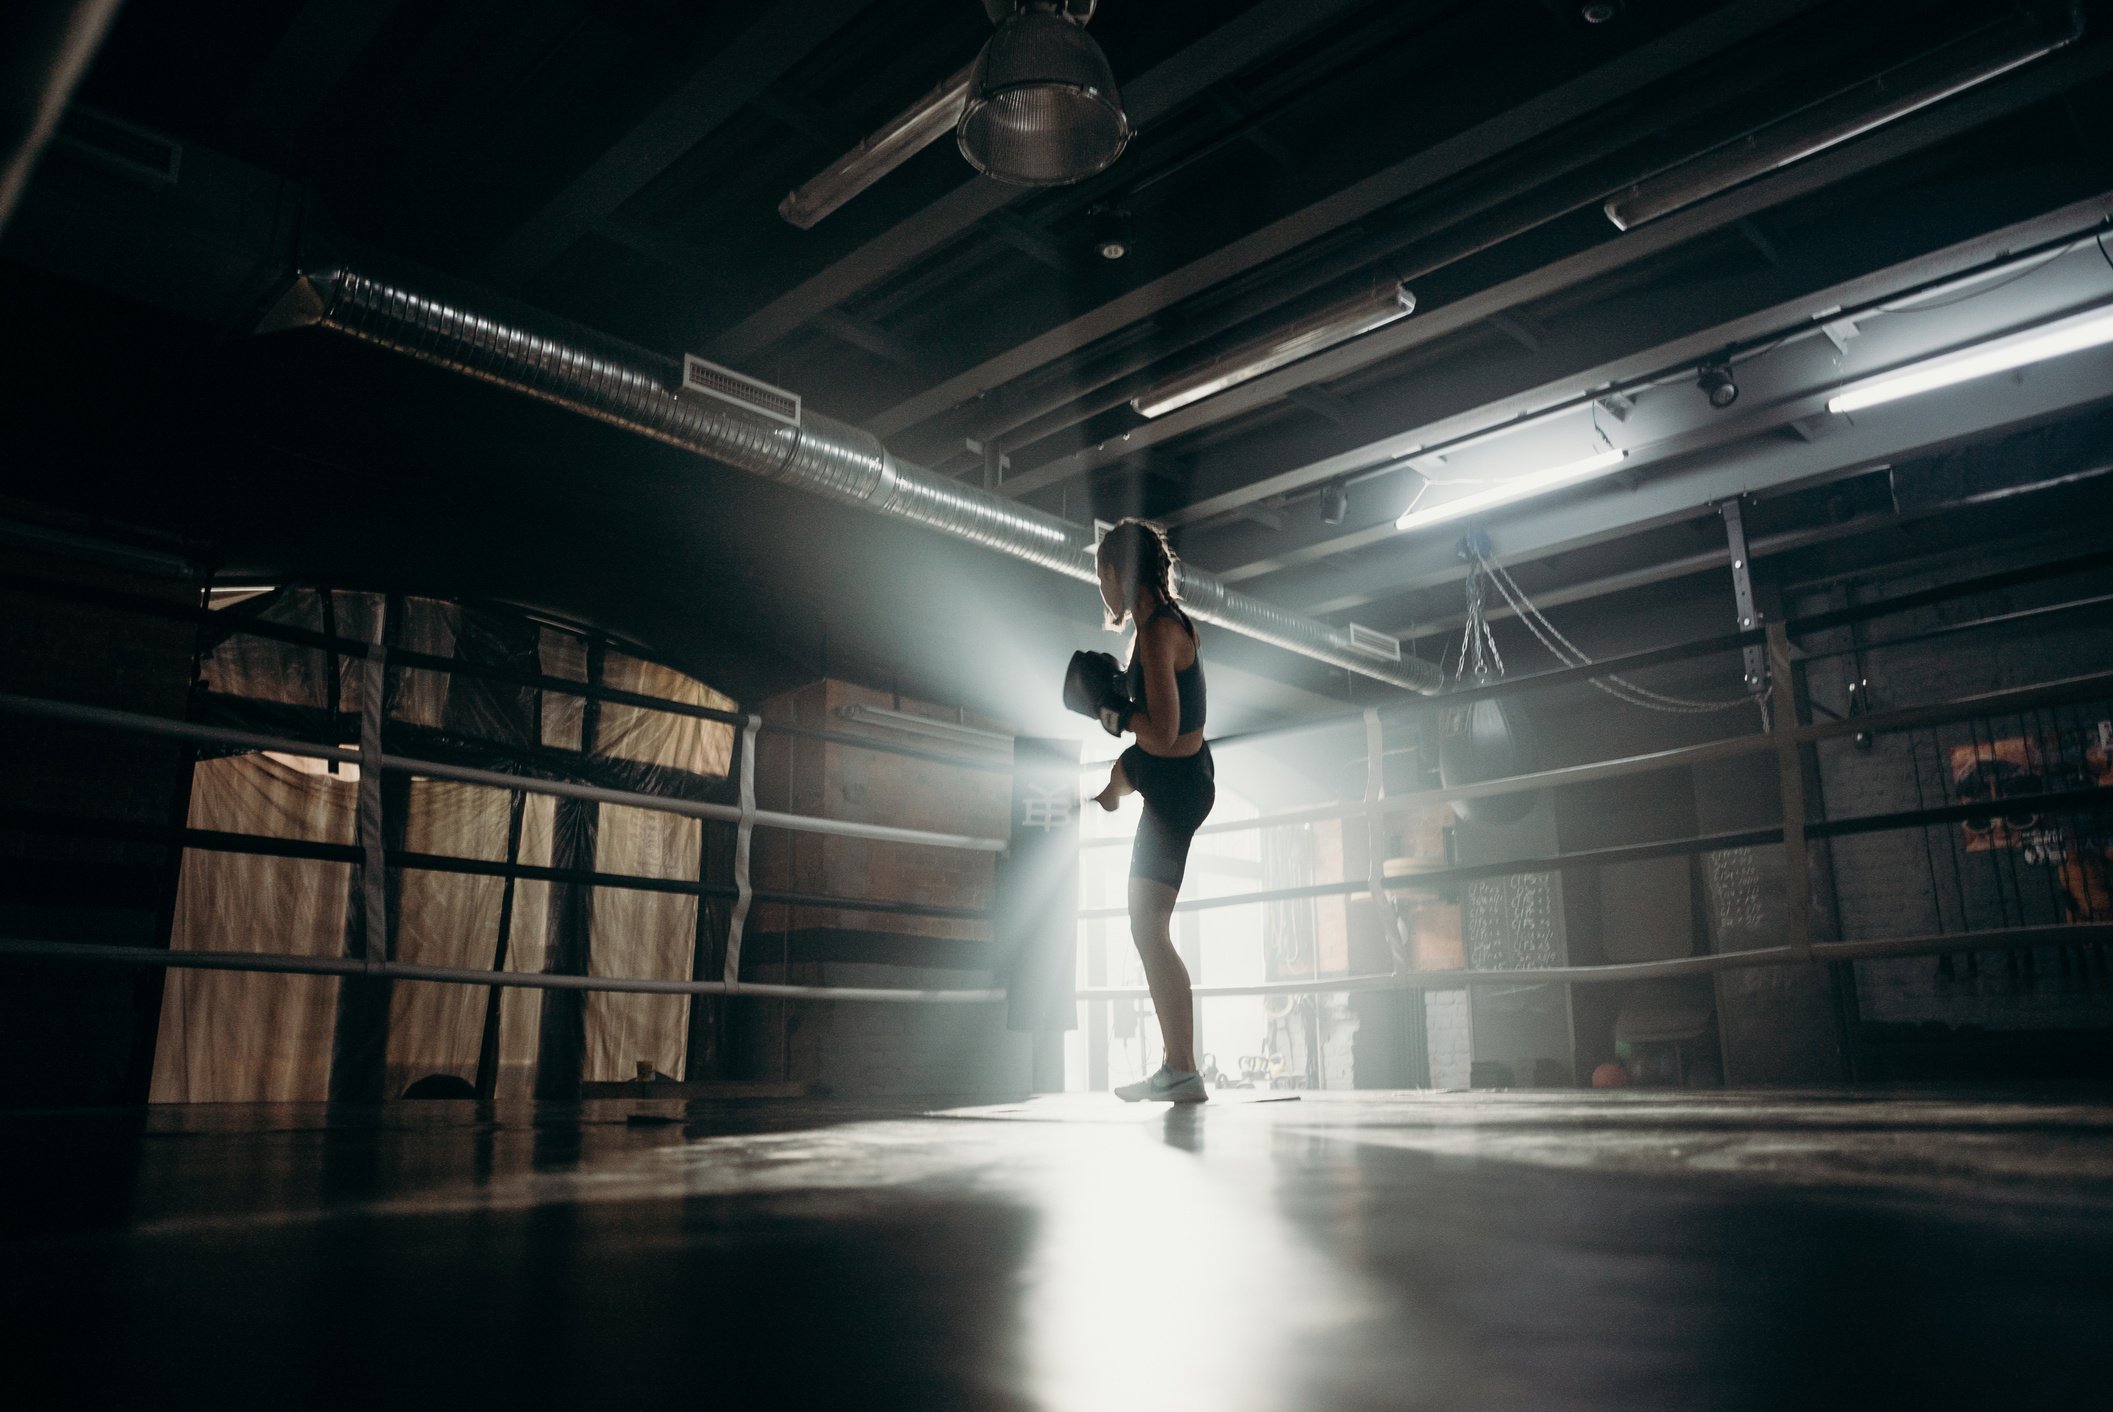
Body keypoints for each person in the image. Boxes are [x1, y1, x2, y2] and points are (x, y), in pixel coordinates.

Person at [1088, 520, 1214, 1103]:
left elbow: (1163, 732)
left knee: (1147, 925)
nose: (1101, 589)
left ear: (1119, 572)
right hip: (1169, 778)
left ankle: (1181, 1067)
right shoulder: (1150, 629)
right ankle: (1178, 1066)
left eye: (1102, 576)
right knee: (1147, 925)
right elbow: (1157, 734)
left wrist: (1116, 715)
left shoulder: (1162, 631)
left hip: (1178, 782)